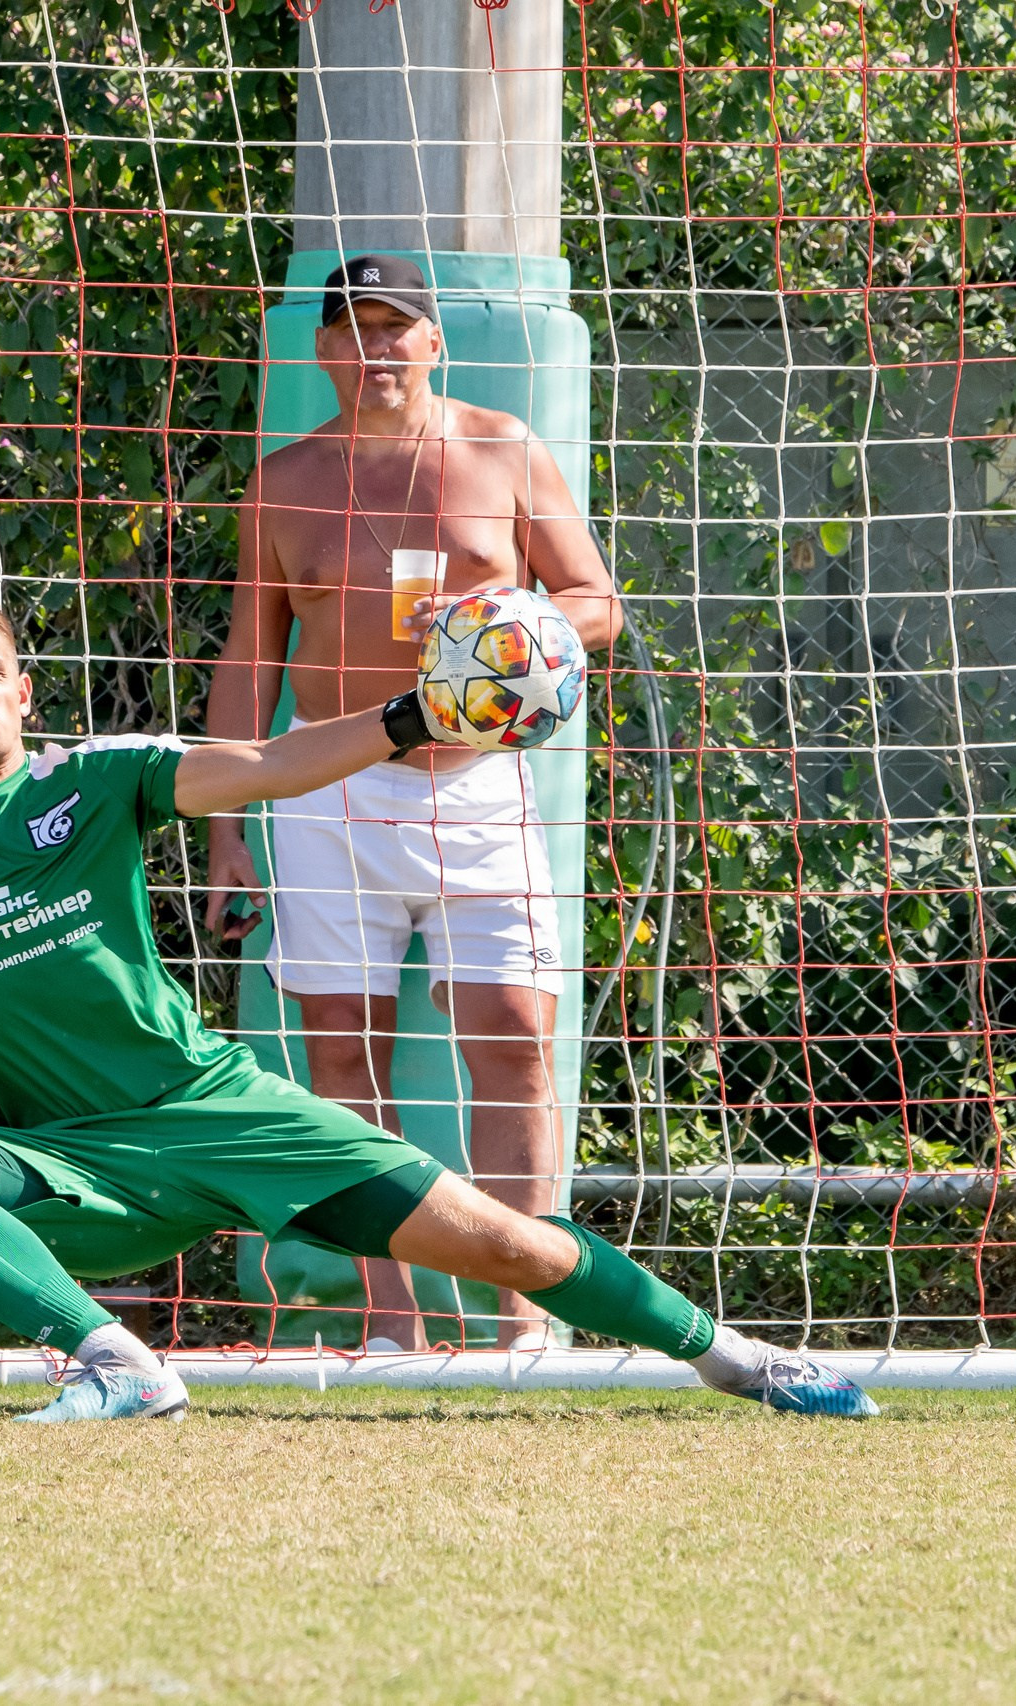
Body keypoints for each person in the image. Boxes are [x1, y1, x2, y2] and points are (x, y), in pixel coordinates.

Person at [0, 589, 873, 1423]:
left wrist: (418, 715)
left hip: (217, 1110)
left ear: (23, 686)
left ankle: (742, 1358)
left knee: (514, 1245)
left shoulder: (100, 779)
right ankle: (115, 1360)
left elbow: (269, 766)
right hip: (69, 1169)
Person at [205, 253, 620, 1351]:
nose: (373, 349)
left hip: (477, 783)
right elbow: (250, 656)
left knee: (517, 1034)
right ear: (321, 350)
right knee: (340, 1048)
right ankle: (390, 1319)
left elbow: (597, 602)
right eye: (350, 331)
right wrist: (223, 829)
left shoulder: (502, 447)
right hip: (325, 787)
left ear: (433, 342)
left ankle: (525, 1312)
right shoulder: (285, 481)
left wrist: (513, 623)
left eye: (396, 329)